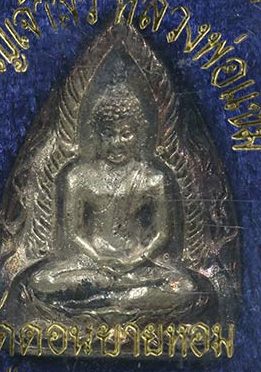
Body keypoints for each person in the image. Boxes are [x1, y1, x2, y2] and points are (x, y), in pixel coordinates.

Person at [29, 85, 198, 314]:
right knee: (42, 281)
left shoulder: (152, 179)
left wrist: (134, 260)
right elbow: (74, 233)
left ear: (139, 134)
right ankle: (124, 299)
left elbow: (161, 234)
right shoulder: (78, 178)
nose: (117, 142)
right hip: (92, 264)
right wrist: (99, 259)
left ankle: (100, 300)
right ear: (95, 135)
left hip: (137, 265)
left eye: (126, 134)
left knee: (185, 287)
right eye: (108, 134)